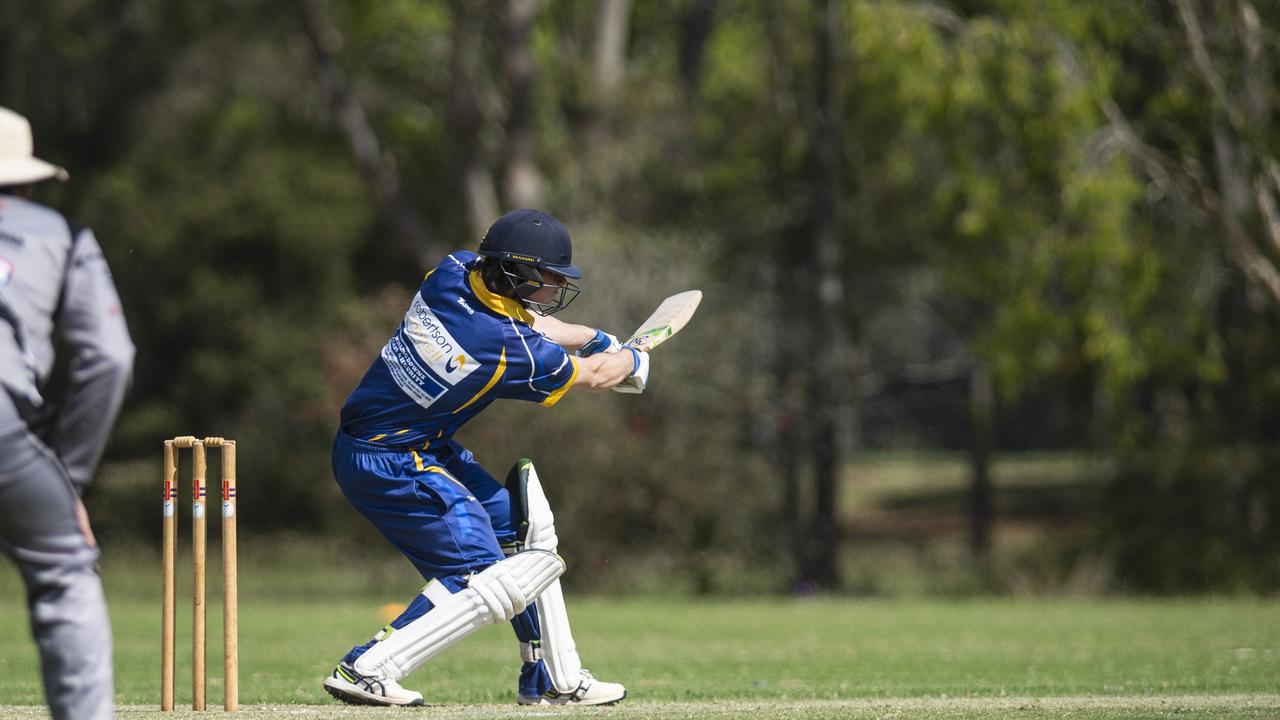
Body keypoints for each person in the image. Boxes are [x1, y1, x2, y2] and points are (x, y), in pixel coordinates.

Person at [323, 208, 646, 707]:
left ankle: (554, 680)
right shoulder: (500, 347)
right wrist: (635, 357)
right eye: (547, 276)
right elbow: (597, 376)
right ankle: (368, 668)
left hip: (410, 441)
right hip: (389, 458)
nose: (555, 284)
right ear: (514, 271)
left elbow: (531, 322)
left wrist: (591, 337)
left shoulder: (452, 272)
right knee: (480, 572)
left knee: (520, 530)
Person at [0, 106, 135, 720]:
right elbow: (109, 357)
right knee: (65, 576)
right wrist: (69, 481)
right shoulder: (60, 234)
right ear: (26, 181)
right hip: (5, 426)